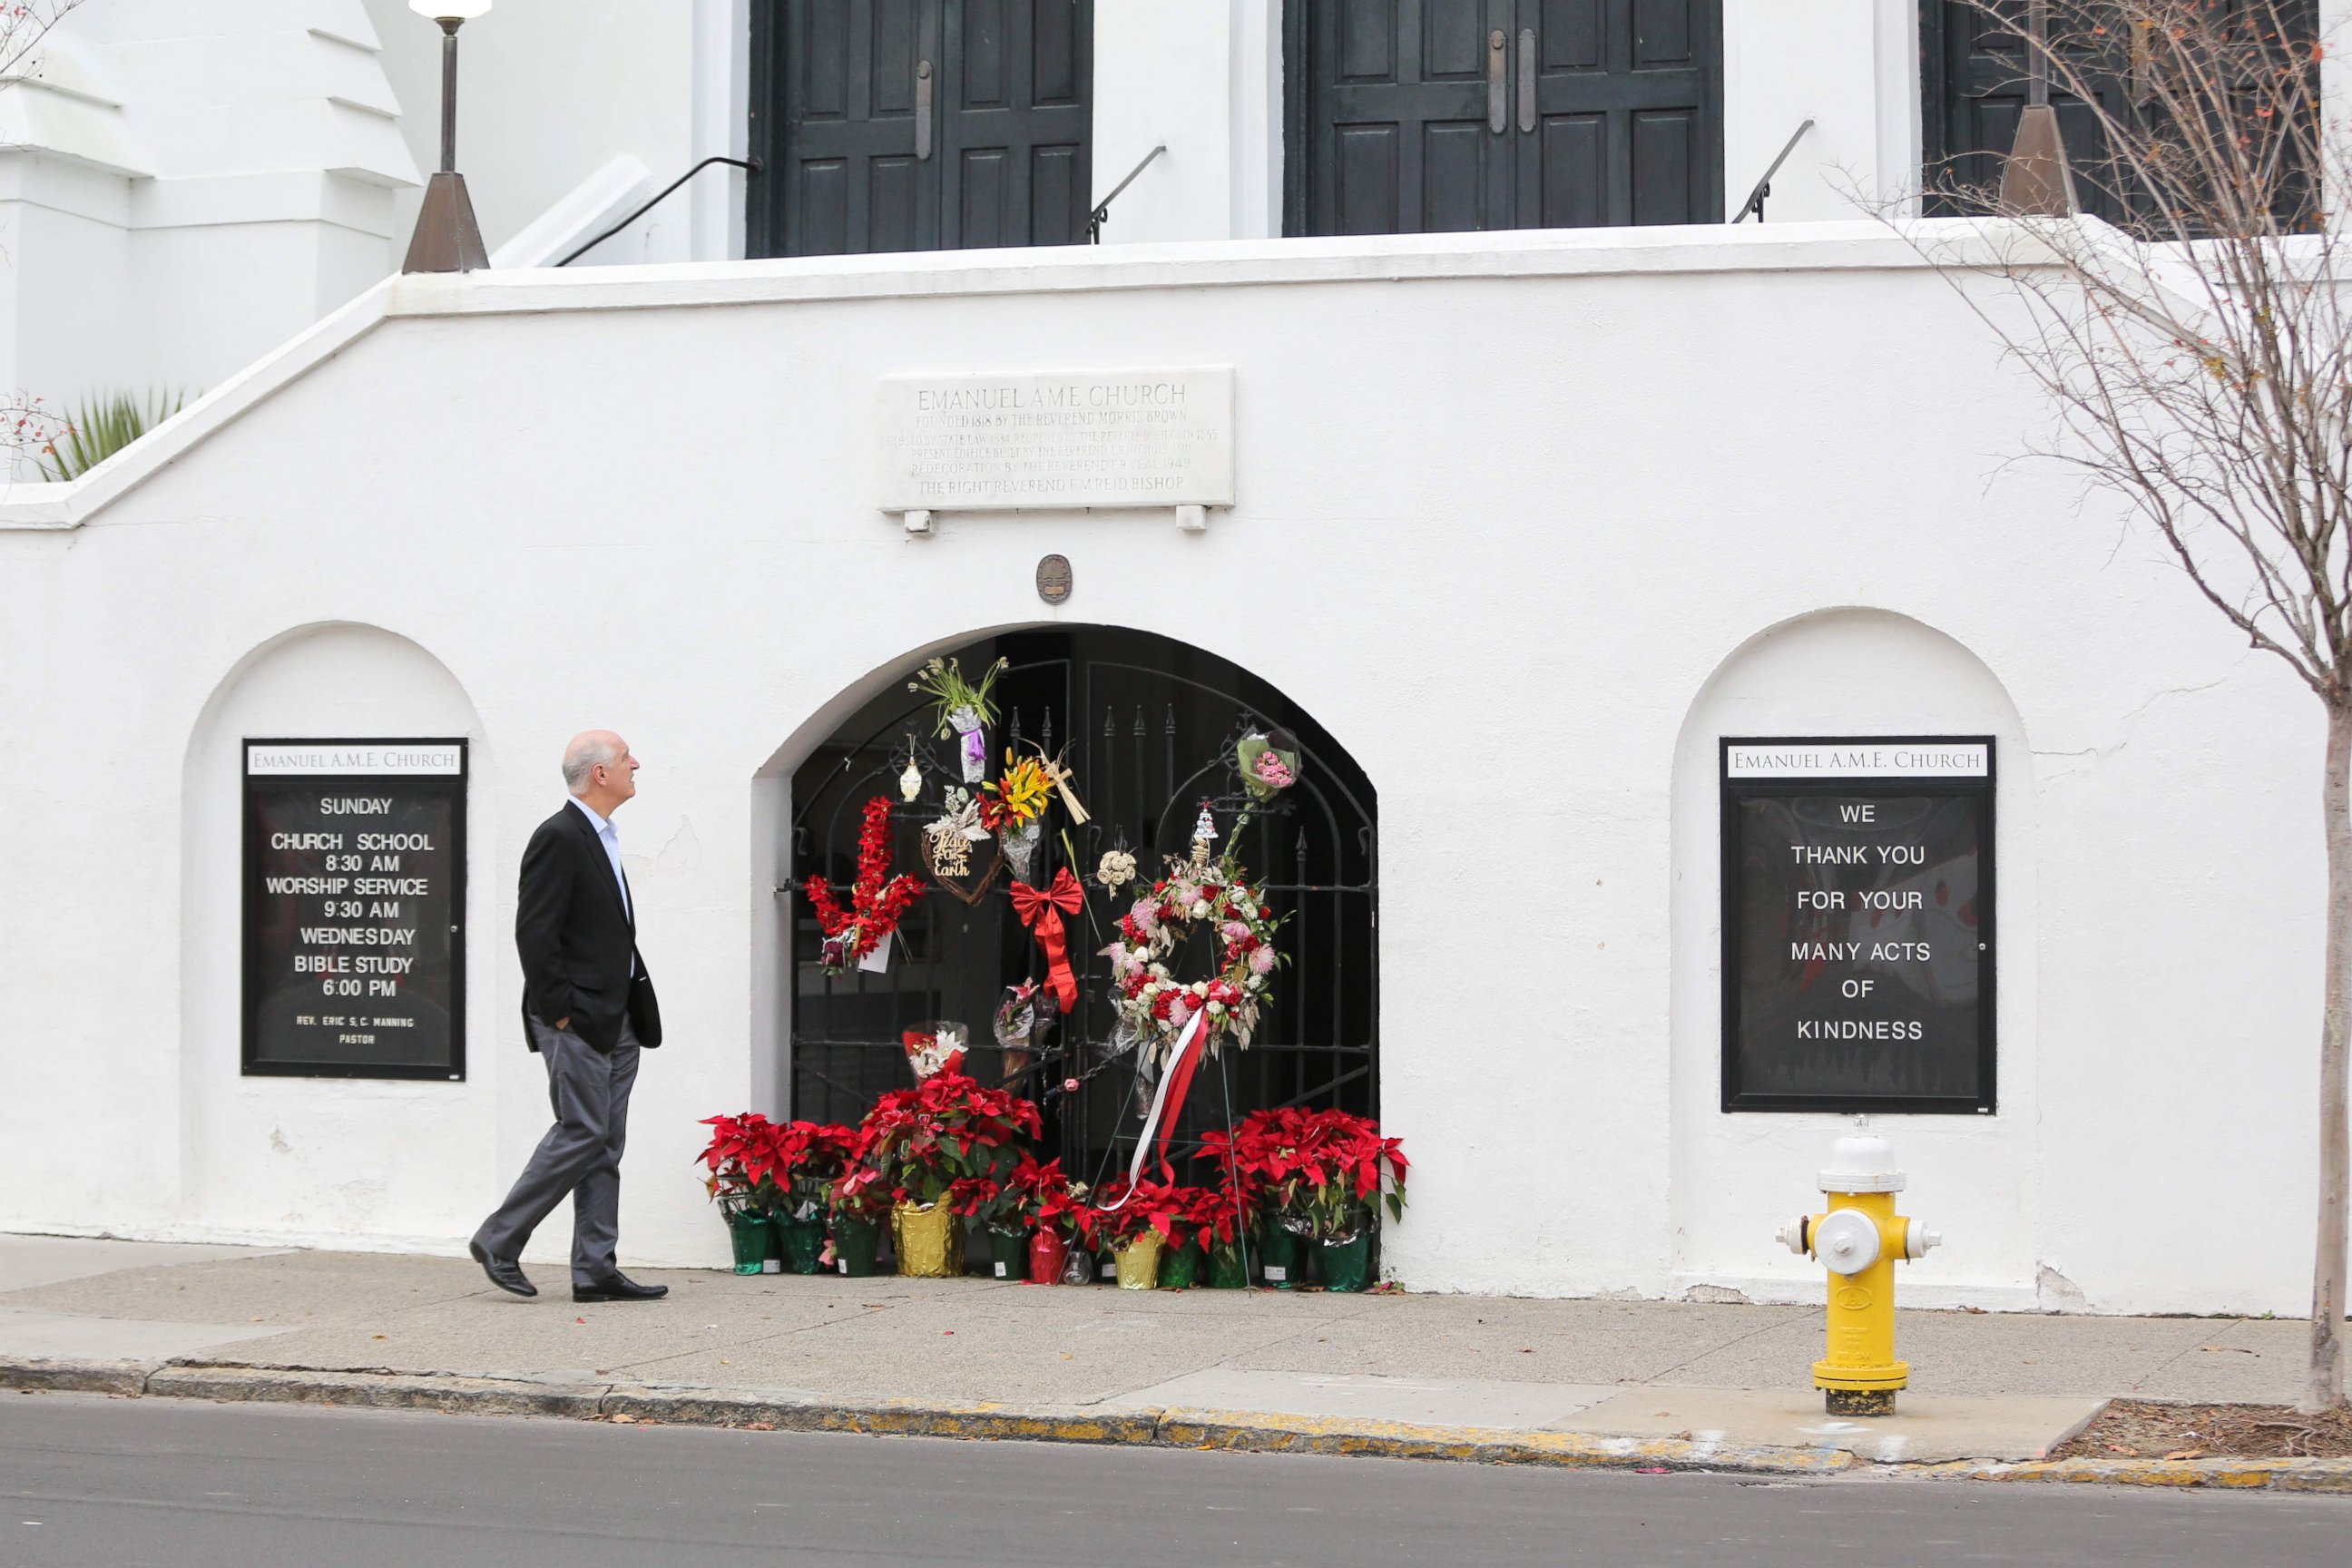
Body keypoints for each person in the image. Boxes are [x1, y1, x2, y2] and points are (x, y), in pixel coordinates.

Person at [470, 730, 667, 1303]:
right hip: (577, 1018)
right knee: (583, 1130)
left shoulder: (602, 835)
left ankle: (595, 1269)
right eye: (627, 757)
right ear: (600, 774)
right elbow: (535, 932)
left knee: (605, 1143)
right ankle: (500, 1238)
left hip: (619, 1014)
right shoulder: (558, 836)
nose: (637, 762)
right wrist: (559, 1014)